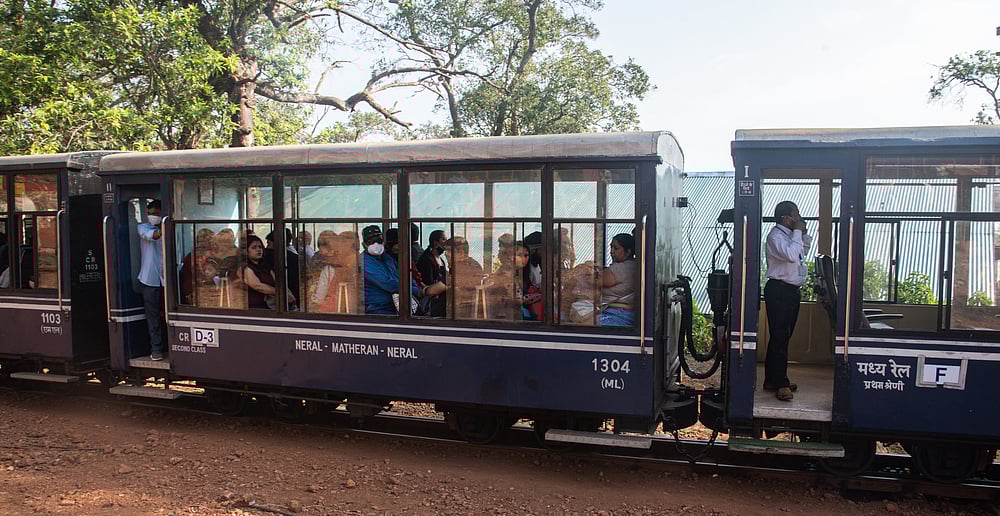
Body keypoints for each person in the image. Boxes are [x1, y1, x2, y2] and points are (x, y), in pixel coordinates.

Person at [763, 201, 812, 402]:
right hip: (779, 291)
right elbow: (792, 255)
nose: (798, 218)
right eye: (796, 214)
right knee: (779, 337)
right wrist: (798, 234)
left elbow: (802, 252)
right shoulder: (775, 236)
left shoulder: (791, 236)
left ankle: (773, 379)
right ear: (786, 217)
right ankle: (780, 383)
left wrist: (803, 234)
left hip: (791, 292)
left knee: (783, 337)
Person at [361, 225, 443, 315]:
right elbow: (388, 283)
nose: (376, 244)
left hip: (399, 306)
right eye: (371, 240)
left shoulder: (387, 258)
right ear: (364, 244)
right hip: (379, 309)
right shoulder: (364, 261)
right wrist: (418, 291)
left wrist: (418, 289)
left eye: (378, 239)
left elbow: (405, 276)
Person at [137, 200, 166, 360]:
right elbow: (153, 236)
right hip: (149, 280)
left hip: (166, 279)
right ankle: (156, 349)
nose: (153, 216)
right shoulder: (143, 227)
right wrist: (163, 226)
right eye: (151, 213)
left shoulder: (171, 227)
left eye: (157, 213)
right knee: (153, 316)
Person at [243, 235, 292, 310]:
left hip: (271, 306)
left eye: (260, 247)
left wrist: (288, 293)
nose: (258, 250)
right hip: (255, 309)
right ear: (246, 251)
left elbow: (277, 282)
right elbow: (258, 286)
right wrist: (282, 293)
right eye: (254, 247)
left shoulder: (265, 266)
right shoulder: (245, 268)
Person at [599, 233, 637, 327]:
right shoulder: (633, 265)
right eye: (611, 247)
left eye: (616, 248)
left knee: (581, 324)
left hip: (618, 314)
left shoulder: (623, 268)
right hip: (624, 314)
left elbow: (596, 281)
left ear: (628, 252)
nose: (611, 252)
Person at [446, 236, 484, 319]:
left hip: (463, 314)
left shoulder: (464, 267)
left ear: (461, 252)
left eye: (449, 251)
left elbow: (450, 286)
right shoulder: (472, 264)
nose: (446, 254)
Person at [263, 228, 300, 310]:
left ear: (275, 244)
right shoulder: (295, 258)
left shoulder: (266, 257)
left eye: (268, 244)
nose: (266, 247)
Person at [179, 228, 218, 305]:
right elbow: (206, 274)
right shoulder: (194, 256)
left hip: (209, 291)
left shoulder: (211, 255)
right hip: (196, 294)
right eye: (207, 240)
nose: (211, 243)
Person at [416, 230, 449, 317]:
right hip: (432, 300)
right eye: (443, 240)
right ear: (435, 242)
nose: (446, 242)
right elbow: (428, 281)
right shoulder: (426, 259)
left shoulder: (440, 259)